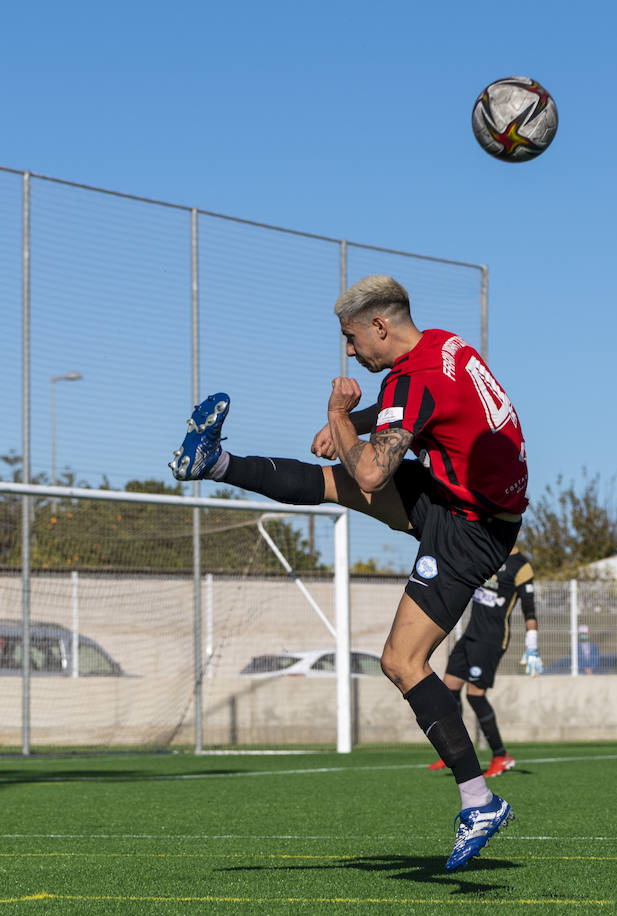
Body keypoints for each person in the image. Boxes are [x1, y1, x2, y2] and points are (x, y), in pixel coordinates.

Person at [168, 275, 527, 871]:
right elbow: (412, 419)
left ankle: (478, 799)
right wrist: (355, 428)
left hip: (469, 528)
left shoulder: (413, 380)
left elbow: (373, 474)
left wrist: (339, 415)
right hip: (462, 498)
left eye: (351, 336)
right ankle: (214, 460)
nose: (349, 349)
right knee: (328, 483)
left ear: (380, 327)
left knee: (402, 662)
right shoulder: (443, 345)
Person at [427, 545, 541, 776]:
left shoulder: (521, 566)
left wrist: (532, 644)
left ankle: (501, 755)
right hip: (470, 635)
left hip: (491, 640)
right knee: (449, 689)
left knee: (475, 695)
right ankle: (454, 750)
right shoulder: (486, 553)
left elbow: (529, 608)